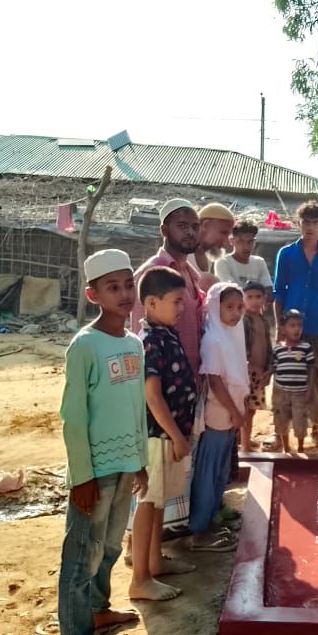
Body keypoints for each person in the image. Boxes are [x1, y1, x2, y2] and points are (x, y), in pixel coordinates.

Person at [59, 249, 148, 635]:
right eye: (113, 287)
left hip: (126, 466)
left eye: (128, 284)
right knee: (82, 556)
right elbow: (73, 417)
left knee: (110, 547)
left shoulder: (134, 343)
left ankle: (98, 610)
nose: (124, 293)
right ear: (93, 294)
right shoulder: (84, 346)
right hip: (94, 472)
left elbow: (135, 406)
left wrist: (140, 459)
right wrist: (82, 477)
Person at [132, 199, 205, 534]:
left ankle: (159, 544)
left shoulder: (190, 274)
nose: (190, 232)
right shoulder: (153, 274)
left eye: (195, 226)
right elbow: (141, 335)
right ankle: (138, 547)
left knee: (169, 481)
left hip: (183, 388)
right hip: (160, 394)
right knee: (151, 485)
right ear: (164, 229)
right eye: (182, 226)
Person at [129, 267, 197, 602]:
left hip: (168, 436)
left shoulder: (166, 334)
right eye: (176, 301)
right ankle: (139, 578)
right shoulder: (150, 341)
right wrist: (177, 436)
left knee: (158, 501)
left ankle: (154, 562)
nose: (181, 307)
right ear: (152, 303)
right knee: (148, 502)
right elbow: (152, 396)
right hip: (157, 436)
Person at [273, 201, 318, 447]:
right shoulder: (286, 254)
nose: (310, 227)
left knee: (314, 379)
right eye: (306, 222)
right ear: (298, 224)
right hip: (290, 328)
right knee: (284, 379)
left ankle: (315, 428)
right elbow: (279, 292)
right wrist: (280, 327)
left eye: (315, 223)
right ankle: (280, 431)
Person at [190, 283, 248, 552]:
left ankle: (211, 519)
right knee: (208, 471)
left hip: (230, 416)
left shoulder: (232, 336)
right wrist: (235, 411)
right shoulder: (213, 340)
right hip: (218, 415)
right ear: (215, 307)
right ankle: (198, 530)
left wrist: (239, 410)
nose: (236, 313)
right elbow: (215, 382)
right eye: (229, 307)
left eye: (239, 307)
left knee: (220, 472)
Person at [272, 309, 316, 454]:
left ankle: (301, 448)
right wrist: (266, 376)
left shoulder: (306, 347)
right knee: (281, 420)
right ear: (283, 329)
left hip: (300, 393)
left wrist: (310, 389)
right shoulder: (278, 348)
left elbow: (311, 369)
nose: (297, 329)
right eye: (292, 325)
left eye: (299, 325)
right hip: (281, 393)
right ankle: (286, 448)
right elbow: (274, 367)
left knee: (300, 421)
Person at [241, 280, 273, 453]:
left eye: (258, 297)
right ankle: (244, 445)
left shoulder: (263, 320)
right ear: (243, 299)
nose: (254, 301)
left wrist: (269, 369)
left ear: (264, 299)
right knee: (244, 409)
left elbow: (268, 346)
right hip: (246, 372)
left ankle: (246, 439)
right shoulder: (243, 320)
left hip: (259, 373)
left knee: (252, 410)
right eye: (250, 297)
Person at [189, 203, 235, 291]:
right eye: (223, 233)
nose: (226, 242)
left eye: (228, 235)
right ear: (205, 225)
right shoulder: (182, 255)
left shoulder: (207, 257)